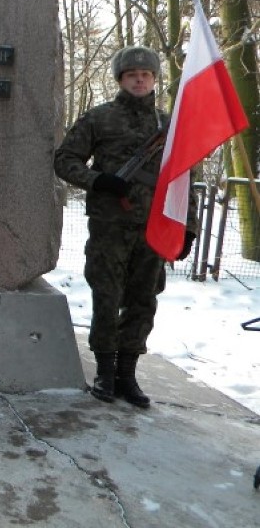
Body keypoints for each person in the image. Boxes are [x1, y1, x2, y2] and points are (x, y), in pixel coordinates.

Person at [54, 46, 198, 408]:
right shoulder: (99, 118)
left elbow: (184, 178)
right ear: (120, 79)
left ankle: (127, 374)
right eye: (131, 74)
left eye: (146, 75)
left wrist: (188, 229)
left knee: (143, 300)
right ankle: (104, 370)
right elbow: (65, 159)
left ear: (154, 80)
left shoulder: (168, 125)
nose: (139, 79)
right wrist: (98, 180)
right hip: (110, 226)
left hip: (154, 228)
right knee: (107, 296)